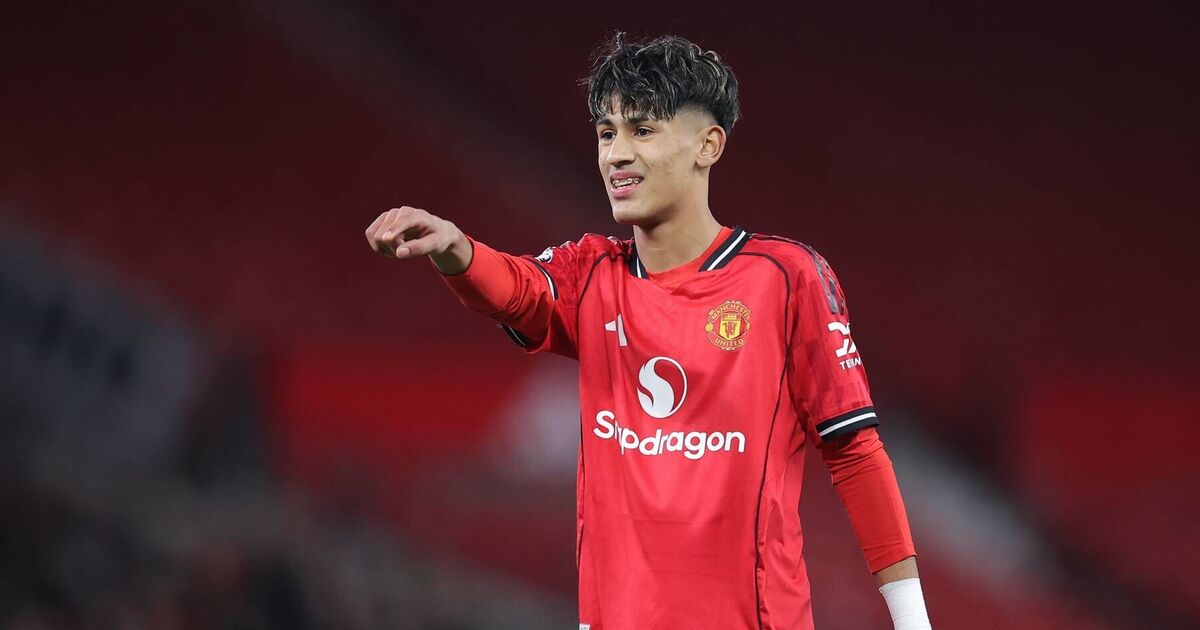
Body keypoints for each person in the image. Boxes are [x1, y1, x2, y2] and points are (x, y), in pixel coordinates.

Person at [365, 31, 931, 630]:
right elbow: (517, 289)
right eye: (607, 133)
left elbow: (854, 452)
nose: (617, 154)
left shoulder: (786, 279)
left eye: (643, 130)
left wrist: (913, 622)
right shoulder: (592, 274)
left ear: (708, 145)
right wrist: (455, 249)